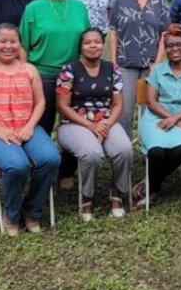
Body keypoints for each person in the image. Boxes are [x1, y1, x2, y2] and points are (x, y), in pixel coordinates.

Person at [0, 24, 61, 235]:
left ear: (20, 45)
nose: (8, 46)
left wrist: (29, 127)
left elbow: (40, 104)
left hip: (26, 129)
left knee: (50, 158)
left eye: (13, 42)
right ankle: (12, 215)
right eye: (3, 41)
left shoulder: (30, 70)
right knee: (17, 165)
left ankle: (32, 210)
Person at [56, 28, 133, 221]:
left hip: (106, 121)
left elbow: (117, 104)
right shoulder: (69, 70)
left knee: (124, 149)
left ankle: (116, 194)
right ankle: (87, 197)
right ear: (81, 47)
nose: (93, 46)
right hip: (74, 123)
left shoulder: (112, 69)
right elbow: (62, 106)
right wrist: (91, 126)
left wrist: (106, 124)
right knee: (91, 154)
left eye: (97, 42)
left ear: (102, 44)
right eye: (88, 42)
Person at [134, 24, 181, 207]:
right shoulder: (158, 70)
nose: (175, 49)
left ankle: (149, 182)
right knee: (156, 151)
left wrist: (177, 120)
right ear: (165, 49)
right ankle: (155, 190)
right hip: (155, 118)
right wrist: (173, 119)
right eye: (170, 46)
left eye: (179, 44)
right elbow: (151, 101)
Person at [19, 0, 91, 137]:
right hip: (43, 75)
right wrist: (24, 75)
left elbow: (87, 42)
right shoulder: (33, 8)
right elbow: (22, 45)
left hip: (73, 73)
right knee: (43, 122)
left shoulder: (79, 7)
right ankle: (43, 161)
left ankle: (68, 162)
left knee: (74, 122)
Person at [109, 0, 170, 139]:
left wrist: (158, 63)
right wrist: (114, 63)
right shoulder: (121, 0)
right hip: (125, 64)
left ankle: (147, 152)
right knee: (124, 112)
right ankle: (125, 150)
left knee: (148, 112)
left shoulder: (159, 0)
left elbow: (165, 34)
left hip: (150, 66)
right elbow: (114, 32)